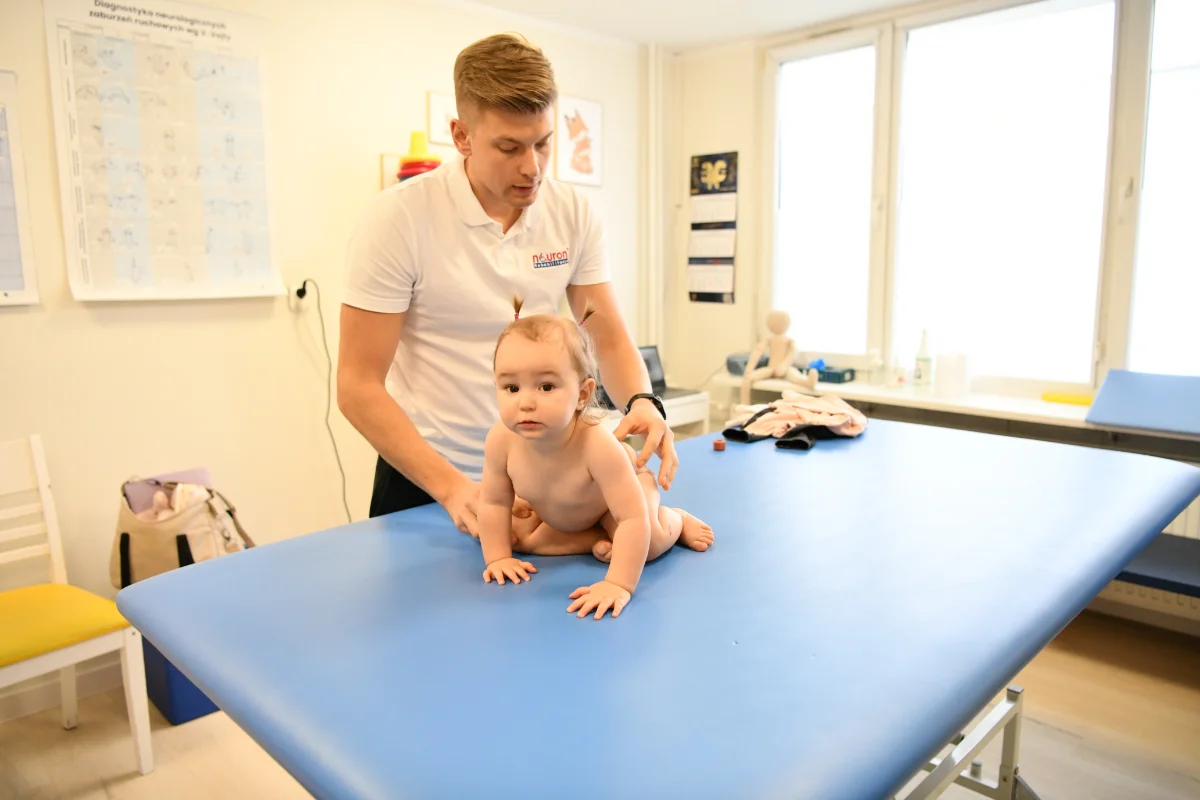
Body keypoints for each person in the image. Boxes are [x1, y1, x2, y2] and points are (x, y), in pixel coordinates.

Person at [337, 33, 678, 535]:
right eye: (509, 147)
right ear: (462, 136)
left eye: (542, 143)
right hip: (428, 480)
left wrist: (643, 402)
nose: (531, 166)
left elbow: (607, 339)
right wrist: (452, 488)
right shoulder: (399, 219)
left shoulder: (572, 213)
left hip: (542, 472)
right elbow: (357, 385)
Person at [479, 300, 714, 620]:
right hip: (563, 512)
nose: (526, 402)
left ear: (582, 394)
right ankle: (596, 540)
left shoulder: (598, 446)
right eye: (511, 387)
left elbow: (631, 518)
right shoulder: (500, 440)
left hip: (617, 502)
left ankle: (676, 519)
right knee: (515, 538)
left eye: (546, 386)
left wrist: (617, 584)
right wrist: (498, 559)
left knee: (650, 541)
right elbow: (493, 503)